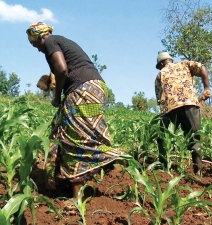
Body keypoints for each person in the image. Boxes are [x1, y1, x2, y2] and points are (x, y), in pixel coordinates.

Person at [26, 22, 122, 209]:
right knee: (59, 128)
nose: (37, 49)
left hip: (82, 89)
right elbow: (56, 74)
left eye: (34, 44)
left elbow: (62, 69)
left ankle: (78, 195)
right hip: (95, 88)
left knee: (75, 139)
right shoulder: (61, 43)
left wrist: (56, 96)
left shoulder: (51, 41)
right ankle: (54, 181)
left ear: (39, 37)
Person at [154, 52, 211, 176]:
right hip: (190, 103)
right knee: (194, 137)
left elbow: (159, 99)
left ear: (162, 63)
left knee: (163, 139)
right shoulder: (185, 64)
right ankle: (198, 171)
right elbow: (202, 68)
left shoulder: (160, 75)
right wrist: (206, 87)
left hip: (170, 107)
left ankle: (164, 171)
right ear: (170, 60)